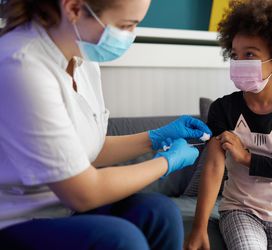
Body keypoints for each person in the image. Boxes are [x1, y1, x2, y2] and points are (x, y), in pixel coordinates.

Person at [0, 0, 212, 249]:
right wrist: (166, 162)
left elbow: (82, 150)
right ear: (74, 9)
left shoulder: (82, 57)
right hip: (14, 220)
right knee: (120, 239)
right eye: (125, 25)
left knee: (159, 213)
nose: (130, 36)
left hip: (61, 210)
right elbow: (84, 192)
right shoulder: (21, 66)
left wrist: (154, 137)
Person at [185, 0, 272, 249]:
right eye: (235, 55)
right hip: (239, 210)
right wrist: (199, 228)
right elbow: (213, 166)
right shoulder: (223, 109)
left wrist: (245, 158)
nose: (239, 61)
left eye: (250, 54)